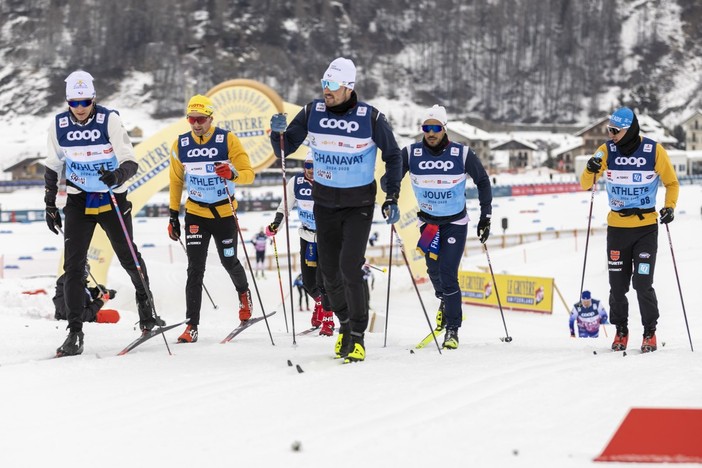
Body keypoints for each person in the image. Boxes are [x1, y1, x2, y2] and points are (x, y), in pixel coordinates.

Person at [269, 57, 402, 362]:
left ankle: (357, 336)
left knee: (349, 268)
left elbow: (393, 155)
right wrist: (276, 133)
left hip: (359, 205)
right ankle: (344, 324)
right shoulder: (312, 111)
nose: (326, 90)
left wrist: (391, 194)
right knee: (328, 274)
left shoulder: (371, 117)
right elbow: (284, 148)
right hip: (325, 204)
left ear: (348, 87)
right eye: (323, 84)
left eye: (332, 85)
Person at [44, 70, 163, 357]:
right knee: (73, 267)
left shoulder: (109, 119)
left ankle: (147, 313)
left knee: (128, 256)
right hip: (78, 200)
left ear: (93, 98)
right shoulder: (58, 125)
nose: (80, 108)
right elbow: (53, 165)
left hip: (111, 197)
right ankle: (74, 332)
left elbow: (130, 160)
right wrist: (50, 204)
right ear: (68, 101)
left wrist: (117, 175)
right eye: (74, 102)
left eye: (85, 101)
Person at [581, 106, 679, 353]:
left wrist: (669, 207)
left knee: (643, 283)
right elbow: (584, 184)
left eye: (615, 130)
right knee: (617, 286)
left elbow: (671, 183)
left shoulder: (653, 150)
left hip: (646, 228)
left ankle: (650, 332)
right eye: (609, 130)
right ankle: (621, 330)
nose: (611, 134)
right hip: (617, 229)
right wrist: (590, 169)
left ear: (629, 129)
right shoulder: (606, 150)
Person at [399, 105, 492, 349]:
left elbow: (482, 181)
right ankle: (444, 301)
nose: (431, 132)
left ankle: (453, 329)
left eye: (436, 128)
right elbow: (391, 175)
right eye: (426, 128)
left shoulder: (461, 153)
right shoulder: (411, 153)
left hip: (454, 223)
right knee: (433, 270)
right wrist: (389, 197)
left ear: (444, 129)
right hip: (428, 224)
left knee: (449, 274)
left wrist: (486, 216)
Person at [167, 94, 255, 344]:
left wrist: (233, 173)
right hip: (196, 212)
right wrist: (173, 215)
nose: (196, 124)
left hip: (224, 212)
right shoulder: (180, 144)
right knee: (195, 269)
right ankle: (191, 326)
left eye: (201, 119)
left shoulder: (227, 139)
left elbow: (249, 174)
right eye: (191, 119)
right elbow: (175, 181)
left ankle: (243, 294)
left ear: (210, 118)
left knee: (229, 262)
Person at [266, 153, 334, 336]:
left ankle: (328, 318)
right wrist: (275, 225)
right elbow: (284, 206)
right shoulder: (296, 182)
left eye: (315, 166)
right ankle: (320, 303)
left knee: (323, 280)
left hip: (327, 237)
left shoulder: (330, 181)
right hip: (306, 235)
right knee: (308, 281)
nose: (311, 170)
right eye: (308, 165)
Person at [54, 265, 119, 324]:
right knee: (114, 315)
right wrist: (100, 302)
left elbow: (84, 293)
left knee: (114, 314)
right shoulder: (73, 289)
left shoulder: (70, 283)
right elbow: (83, 316)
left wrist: (96, 292)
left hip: (81, 313)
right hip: (77, 317)